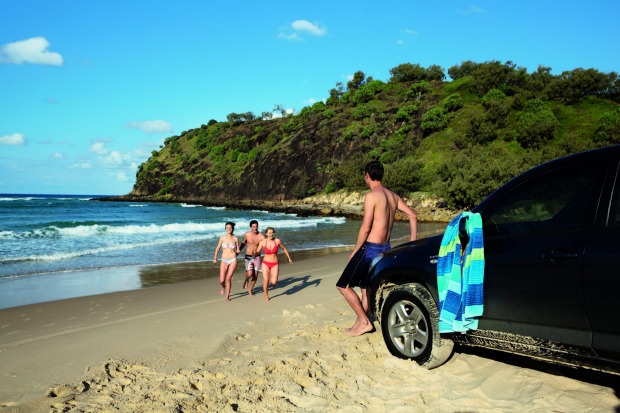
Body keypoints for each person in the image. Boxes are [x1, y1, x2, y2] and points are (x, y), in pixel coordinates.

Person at [336, 160, 418, 336]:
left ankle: (365, 322)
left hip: (371, 248)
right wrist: (412, 242)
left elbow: (366, 227)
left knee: (343, 285)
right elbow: (412, 215)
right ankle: (360, 322)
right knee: (365, 286)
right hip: (385, 248)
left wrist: (356, 250)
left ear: (367, 175)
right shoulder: (393, 196)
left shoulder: (372, 196)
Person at [256, 227, 293, 301]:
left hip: (274, 263)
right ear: (266, 234)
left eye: (272, 232)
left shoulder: (277, 241)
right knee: (266, 280)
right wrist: (254, 253)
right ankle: (266, 295)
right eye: (269, 233)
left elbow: (284, 249)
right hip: (265, 263)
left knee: (274, 282)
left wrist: (289, 258)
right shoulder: (263, 242)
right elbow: (257, 251)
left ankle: (271, 280)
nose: (271, 234)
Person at [213, 222, 241, 301]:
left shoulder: (235, 238)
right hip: (224, 259)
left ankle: (227, 296)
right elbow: (217, 248)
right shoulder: (222, 238)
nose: (229, 229)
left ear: (232, 229)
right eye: (227, 228)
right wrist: (215, 258)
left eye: (230, 228)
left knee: (228, 278)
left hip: (233, 259)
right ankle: (223, 287)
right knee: (221, 280)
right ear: (225, 229)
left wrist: (238, 250)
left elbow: (237, 249)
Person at [239, 220, 265, 296]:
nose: (255, 228)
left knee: (255, 275)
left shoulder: (261, 236)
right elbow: (243, 243)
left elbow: (264, 246)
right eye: (254, 226)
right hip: (248, 256)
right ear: (251, 227)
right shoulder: (247, 234)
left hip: (257, 256)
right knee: (250, 273)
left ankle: (250, 290)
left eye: (256, 226)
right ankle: (246, 280)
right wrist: (238, 251)